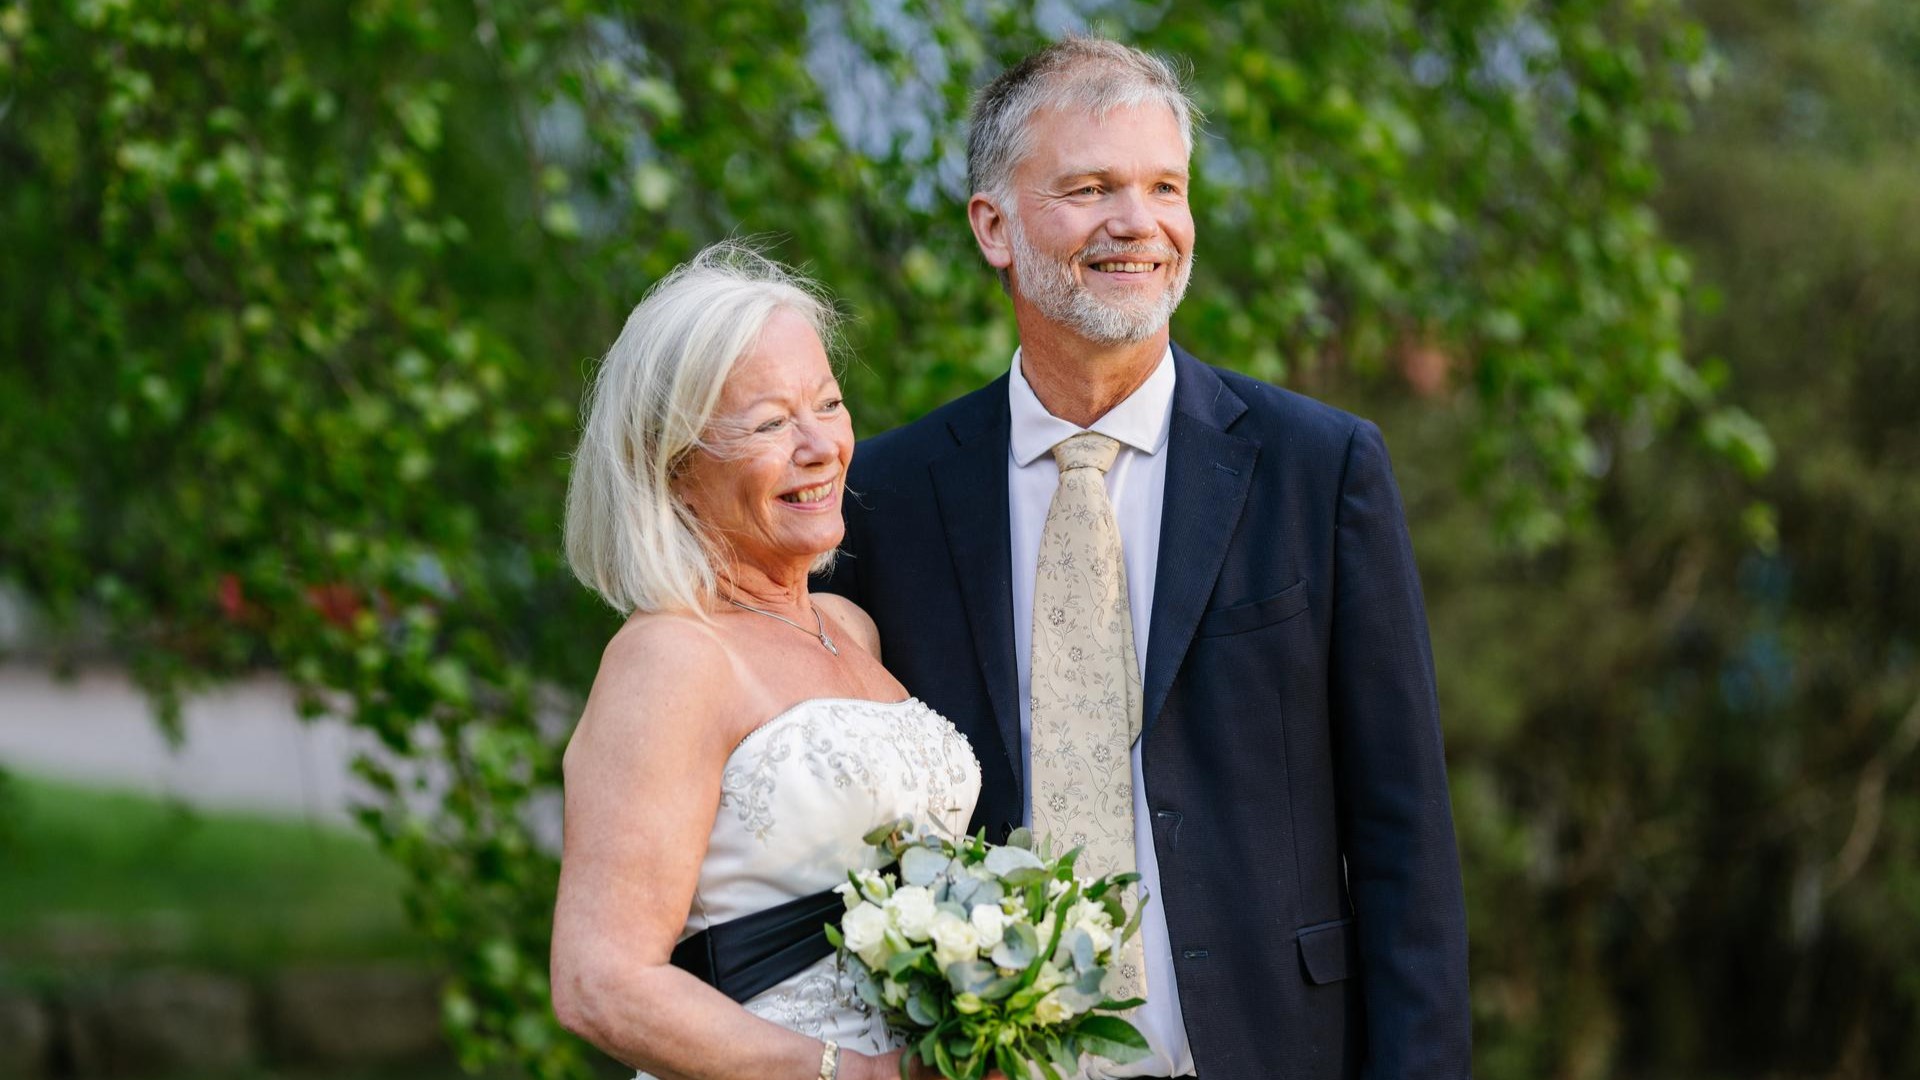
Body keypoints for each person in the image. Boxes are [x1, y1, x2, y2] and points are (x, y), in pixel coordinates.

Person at [818, 38, 1472, 1080]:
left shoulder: (1320, 469)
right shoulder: (887, 501)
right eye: (1089, 188)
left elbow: (1406, 849)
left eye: (1164, 186)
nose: (1140, 223)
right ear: (994, 225)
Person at [548, 245, 983, 1080]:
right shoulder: (670, 657)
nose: (819, 445)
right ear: (673, 467)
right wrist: (849, 1076)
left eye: (829, 403)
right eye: (770, 423)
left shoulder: (850, 629)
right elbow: (599, 982)